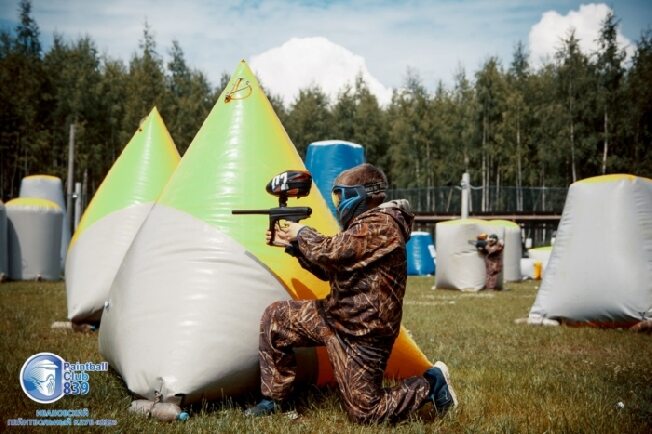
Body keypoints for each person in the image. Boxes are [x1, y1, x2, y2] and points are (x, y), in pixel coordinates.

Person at [244, 163, 458, 423]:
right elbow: (329, 268)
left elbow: (331, 251)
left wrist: (301, 233)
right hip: (334, 317)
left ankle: (431, 383)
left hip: (363, 334)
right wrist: (294, 246)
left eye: (341, 195)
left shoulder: (383, 225)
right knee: (276, 318)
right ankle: (275, 399)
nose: (338, 203)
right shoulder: (363, 227)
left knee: (366, 413)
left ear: (362, 194)